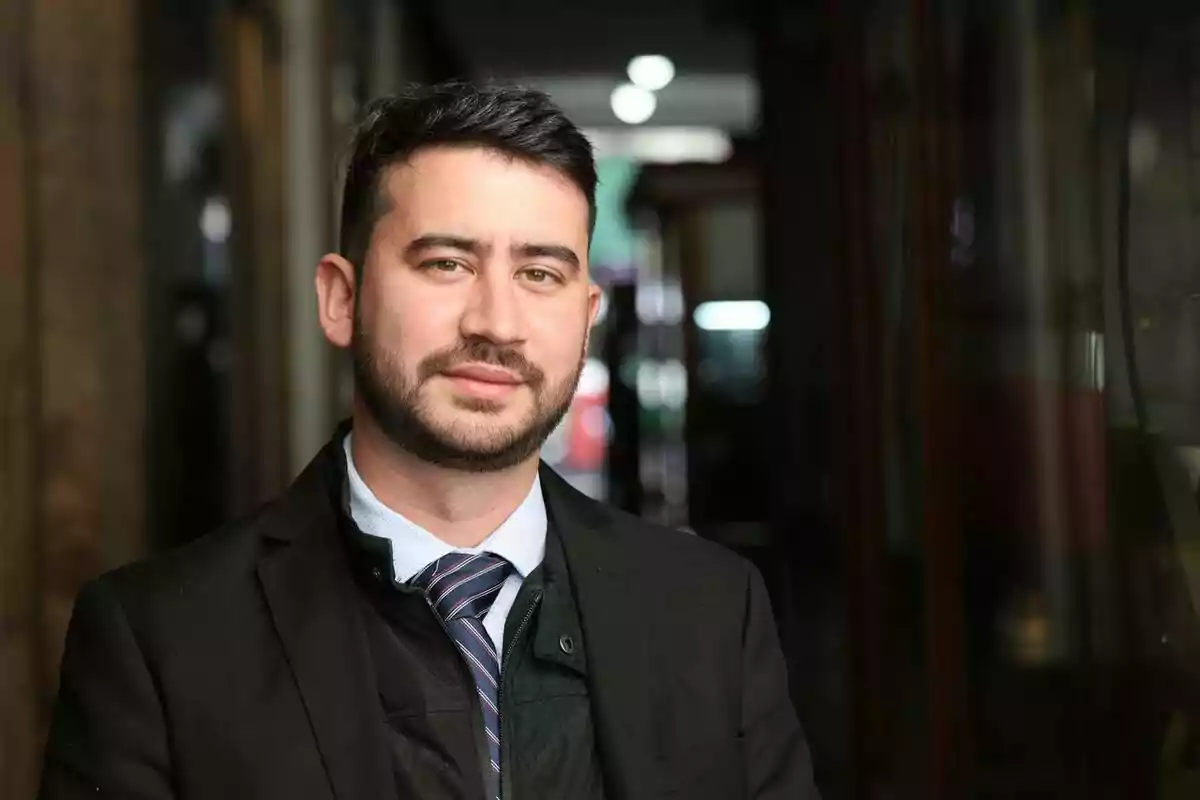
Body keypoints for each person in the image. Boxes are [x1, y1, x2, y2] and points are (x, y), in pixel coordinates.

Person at [39, 82, 820, 800]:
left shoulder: (711, 612)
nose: (496, 322)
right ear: (342, 299)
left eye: (540, 274)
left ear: (585, 318)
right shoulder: (161, 643)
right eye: (447, 263)